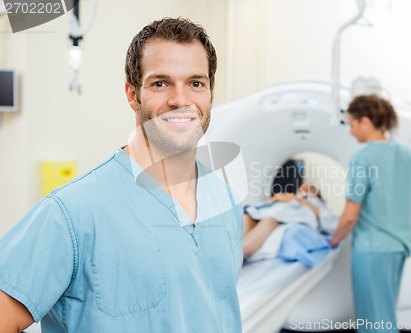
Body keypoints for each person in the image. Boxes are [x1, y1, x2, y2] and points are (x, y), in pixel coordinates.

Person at [0, 17, 243, 333]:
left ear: (210, 93)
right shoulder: (72, 213)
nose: (180, 100)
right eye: (160, 83)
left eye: (195, 83)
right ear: (133, 95)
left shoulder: (224, 198)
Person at [329, 94, 411, 333]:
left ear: (365, 121)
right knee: (383, 314)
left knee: (375, 323)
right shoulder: (404, 153)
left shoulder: (362, 159)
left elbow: (351, 215)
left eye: (352, 124)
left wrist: (333, 240)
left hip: (372, 250)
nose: (351, 131)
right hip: (398, 248)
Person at [243, 182, 338, 259]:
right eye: (302, 188)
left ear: (318, 196)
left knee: (269, 221)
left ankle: (238, 256)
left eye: (311, 188)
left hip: (277, 217)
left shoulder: (317, 204)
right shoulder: (291, 197)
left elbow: (332, 224)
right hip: (263, 213)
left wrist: (302, 201)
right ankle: (233, 253)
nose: (304, 190)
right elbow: (267, 204)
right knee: (247, 216)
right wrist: (277, 198)